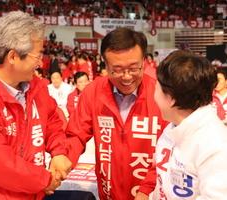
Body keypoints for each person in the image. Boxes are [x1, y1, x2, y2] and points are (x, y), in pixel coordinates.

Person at [0, 11, 72, 200]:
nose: (41, 63)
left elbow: (53, 121)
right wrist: (45, 180)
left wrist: (58, 151)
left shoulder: (36, 87)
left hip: (31, 193)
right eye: (37, 55)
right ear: (13, 57)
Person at [65, 27, 169, 200]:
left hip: (150, 194)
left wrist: (146, 189)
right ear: (105, 65)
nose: (127, 77)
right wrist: (64, 161)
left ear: (144, 61)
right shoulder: (93, 92)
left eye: (134, 68)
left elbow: (170, 149)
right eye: (117, 70)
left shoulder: (161, 94)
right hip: (109, 191)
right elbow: (76, 134)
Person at [153, 50, 227, 199]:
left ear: (171, 98)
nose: (153, 94)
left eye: (156, 88)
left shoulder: (215, 144)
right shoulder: (174, 127)